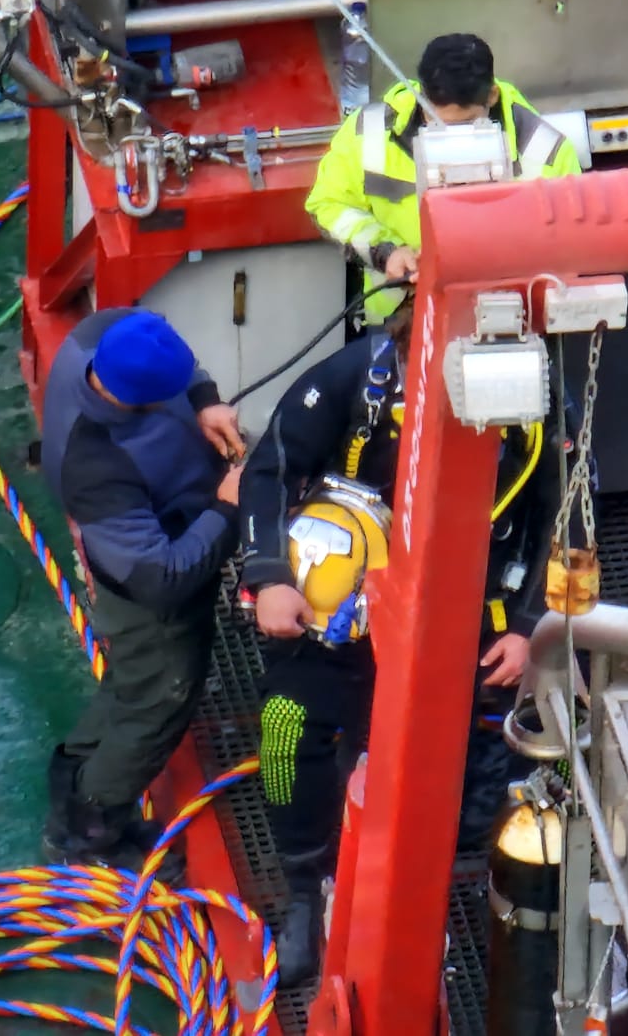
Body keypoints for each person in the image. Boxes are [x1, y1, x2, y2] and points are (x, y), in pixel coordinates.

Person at [239, 298, 564, 985]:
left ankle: (454, 877)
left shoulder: (531, 399)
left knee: (481, 756)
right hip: (341, 615)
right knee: (283, 732)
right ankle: (306, 889)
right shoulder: (354, 379)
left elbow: (561, 509)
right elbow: (268, 466)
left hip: (468, 617)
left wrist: (533, 627)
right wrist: (269, 575)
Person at [38, 308, 246, 873]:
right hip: (147, 600)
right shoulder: (97, 466)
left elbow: (175, 351)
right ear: (142, 400)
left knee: (133, 686)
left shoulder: (96, 339)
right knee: (159, 701)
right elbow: (161, 578)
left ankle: (74, 775)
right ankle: (93, 831)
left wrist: (205, 399)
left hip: (161, 539)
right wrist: (227, 508)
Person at [304, 33, 582, 323]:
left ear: (492, 96)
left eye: (466, 123)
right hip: (400, 321)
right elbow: (329, 204)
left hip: (512, 323)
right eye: (434, 121)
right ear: (420, 96)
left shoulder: (545, 151)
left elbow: (571, 247)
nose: (450, 137)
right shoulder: (369, 134)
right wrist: (387, 252)